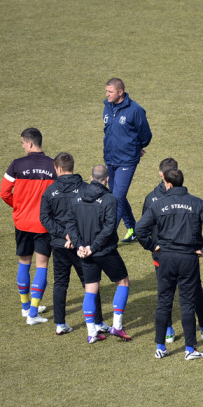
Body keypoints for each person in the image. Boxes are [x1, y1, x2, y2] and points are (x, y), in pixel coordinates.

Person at [134, 169, 203, 360]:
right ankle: (190, 349)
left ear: (168, 184)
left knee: (164, 302)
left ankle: (161, 346)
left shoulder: (158, 204)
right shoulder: (196, 202)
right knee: (187, 302)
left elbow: (139, 228)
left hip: (165, 258)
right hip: (189, 258)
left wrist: (151, 246)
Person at [40, 152, 108, 335]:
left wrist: (64, 236)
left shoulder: (50, 191)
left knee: (61, 283)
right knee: (90, 282)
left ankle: (60, 324)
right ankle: (99, 321)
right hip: (83, 245)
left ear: (58, 169)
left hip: (59, 245)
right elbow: (92, 216)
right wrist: (73, 237)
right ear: (72, 167)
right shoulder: (86, 189)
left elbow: (44, 218)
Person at [65, 165, 132, 343]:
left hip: (84, 253)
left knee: (90, 289)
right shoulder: (110, 199)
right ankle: (117, 326)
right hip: (105, 251)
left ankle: (92, 332)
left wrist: (80, 246)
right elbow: (109, 228)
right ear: (107, 179)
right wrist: (93, 247)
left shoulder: (76, 197)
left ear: (90, 177)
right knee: (123, 282)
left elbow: (70, 224)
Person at [1, 128, 55, 324]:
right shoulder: (52, 165)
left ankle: (25, 307)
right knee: (42, 266)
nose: (22, 146)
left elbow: (4, 192)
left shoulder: (16, 164)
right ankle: (33, 312)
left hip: (22, 222)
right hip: (43, 224)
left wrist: (18, 207)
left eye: (23, 143)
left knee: (24, 263)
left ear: (30, 143)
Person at [102, 77, 152, 243]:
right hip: (110, 159)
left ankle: (108, 238)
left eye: (110, 91)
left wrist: (136, 148)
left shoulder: (135, 110)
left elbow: (146, 135)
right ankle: (132, 229)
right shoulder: (107, 107)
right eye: (106, 91)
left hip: (127, 161)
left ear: (120, 92)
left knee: (115, 199)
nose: (107, 94)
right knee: (118, 196)